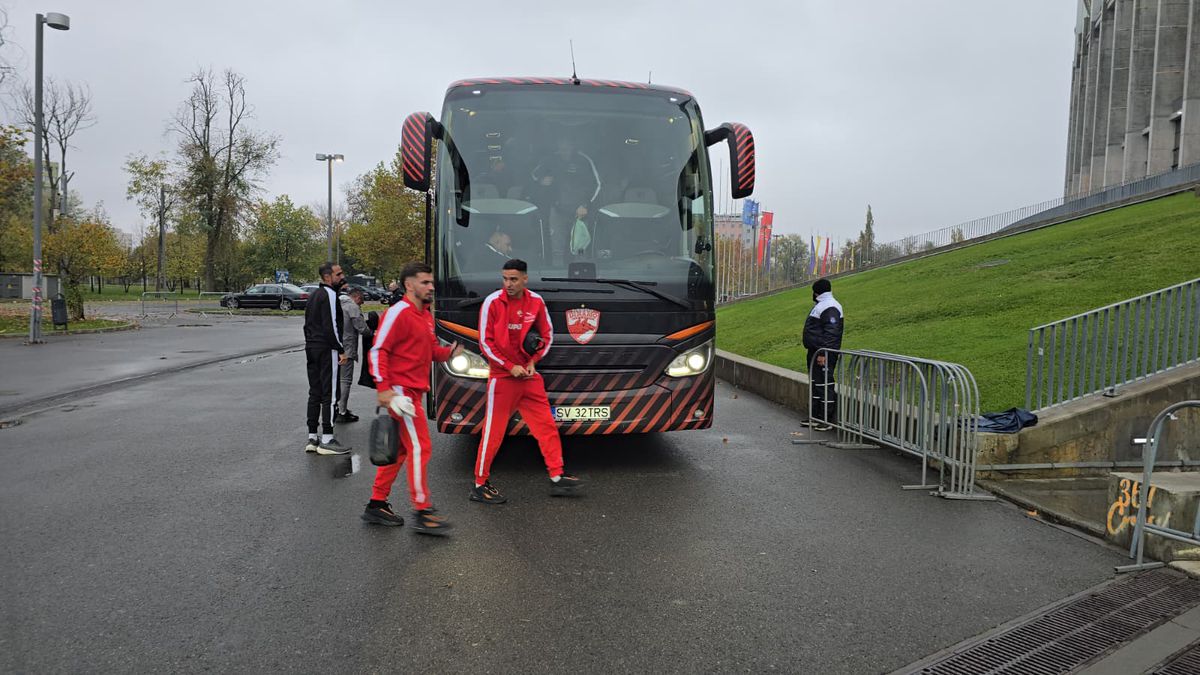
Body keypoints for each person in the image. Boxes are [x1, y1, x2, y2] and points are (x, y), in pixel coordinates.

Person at [471, 258, 584, 504]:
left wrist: (534, 360)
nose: (508, 284)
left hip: (529, 376)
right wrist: (509, 366)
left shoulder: (536, 301)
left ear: (525, 279)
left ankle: (557, 477)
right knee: (493, 432)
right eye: (505, 279)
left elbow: (547, 335)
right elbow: (485, 343)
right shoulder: (492, 302)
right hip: (502, 378)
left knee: (546, 426)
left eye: (513, 279)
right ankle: (479, 484)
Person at [363, 261, 463, 534]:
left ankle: (376, 503)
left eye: (431, 282)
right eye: (424, 282)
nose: (431, 287)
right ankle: (422, 511)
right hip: (400, 394)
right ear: (409, 285)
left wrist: (449, 353)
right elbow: (378, 350)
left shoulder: (425, 315)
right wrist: (384, 389)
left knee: (401, 451)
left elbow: (430, 351)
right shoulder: (398, 312)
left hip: (412, 393)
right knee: (421, 448)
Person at [303, 262, 351, 455]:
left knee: (314, 392)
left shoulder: (314, 295)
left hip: (312, 347)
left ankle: (312, 437)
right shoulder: (330, 294)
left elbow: (307, 324)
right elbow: (331, 325)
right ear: (327, 277)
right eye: (338, 274)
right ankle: (328, 439)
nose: (342, 277)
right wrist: (340, 349)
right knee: (330, 394)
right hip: (326, 348)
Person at [531, 138, 601, 263]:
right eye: (561, 146)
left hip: (579, 213)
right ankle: (557, 272)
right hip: (557, 211)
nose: (564, 149)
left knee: (580, 250)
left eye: (567, 146)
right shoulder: (550, 159)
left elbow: (597, 185)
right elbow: (534, 174)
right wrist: (541, 180)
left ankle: (580, 272)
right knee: (557, 250)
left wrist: (585, 205)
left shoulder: (584, 160)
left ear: (573, 145)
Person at [802, 278, 844, 432]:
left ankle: (825, 419)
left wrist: (823, 352)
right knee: (816, 384)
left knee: (823, 384)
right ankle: (815, 417)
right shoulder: (821, 305)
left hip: (823, 353)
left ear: (816, 292)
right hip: (816, 351)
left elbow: (831, 333)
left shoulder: (830, 306)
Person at [335, 286, 369, 423]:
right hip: (346, 349)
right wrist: (372, 331)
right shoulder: (352, 307)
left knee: (334, 380)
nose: (361, 305)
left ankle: (333, 408)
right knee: (345, 381)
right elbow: (362, 329)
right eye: (361, 302)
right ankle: (342, 411)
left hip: (332, 347)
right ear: (357, 297)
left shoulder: (336, 303)